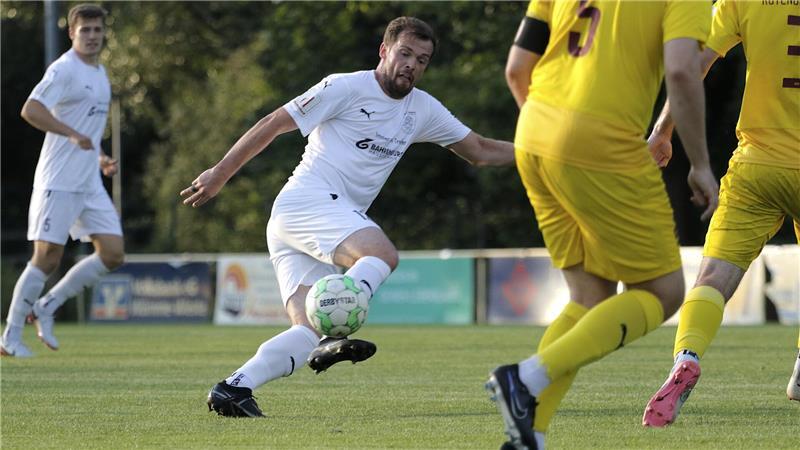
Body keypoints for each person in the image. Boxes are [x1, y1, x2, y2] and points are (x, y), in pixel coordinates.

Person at [180, 16, 516, 418]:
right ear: (384, 51)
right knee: (381, 255)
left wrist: (541, 155)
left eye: (422, 60)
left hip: (306, 219)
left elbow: (480, 150)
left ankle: (234, 387)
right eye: (405, 53)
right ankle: (335, 330)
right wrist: (220, 173)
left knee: (305, 331)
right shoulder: (345, 87)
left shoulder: (422, 109)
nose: (411, 65)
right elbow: (274, 123)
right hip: (307, 202)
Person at [487, 1, 719, 448]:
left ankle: (530, 436)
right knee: (663, 291)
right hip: (601, 142)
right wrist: (701, 164)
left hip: (533, 133)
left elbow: (516, 68)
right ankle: (524, 377)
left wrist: (550, 134)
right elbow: (681, 71)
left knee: (589, 297)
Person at [642, 0, 800, 427]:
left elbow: (694, 65)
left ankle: (687, 355)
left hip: (758, 165)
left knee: (713, 276)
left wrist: (662, 130)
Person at [1, 4, 124, 357]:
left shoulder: (100, 73)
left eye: (97, 30)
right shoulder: (64, 69)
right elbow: (31, 109)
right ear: (72, 33)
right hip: (58, 180)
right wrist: (70, 133)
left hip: (89, 182)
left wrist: (100, 156)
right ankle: (9, 337)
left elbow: (88, 130)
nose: (92, 36)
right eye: (85, 30)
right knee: (46, 257)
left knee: (113, 253)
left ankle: (47, 306)